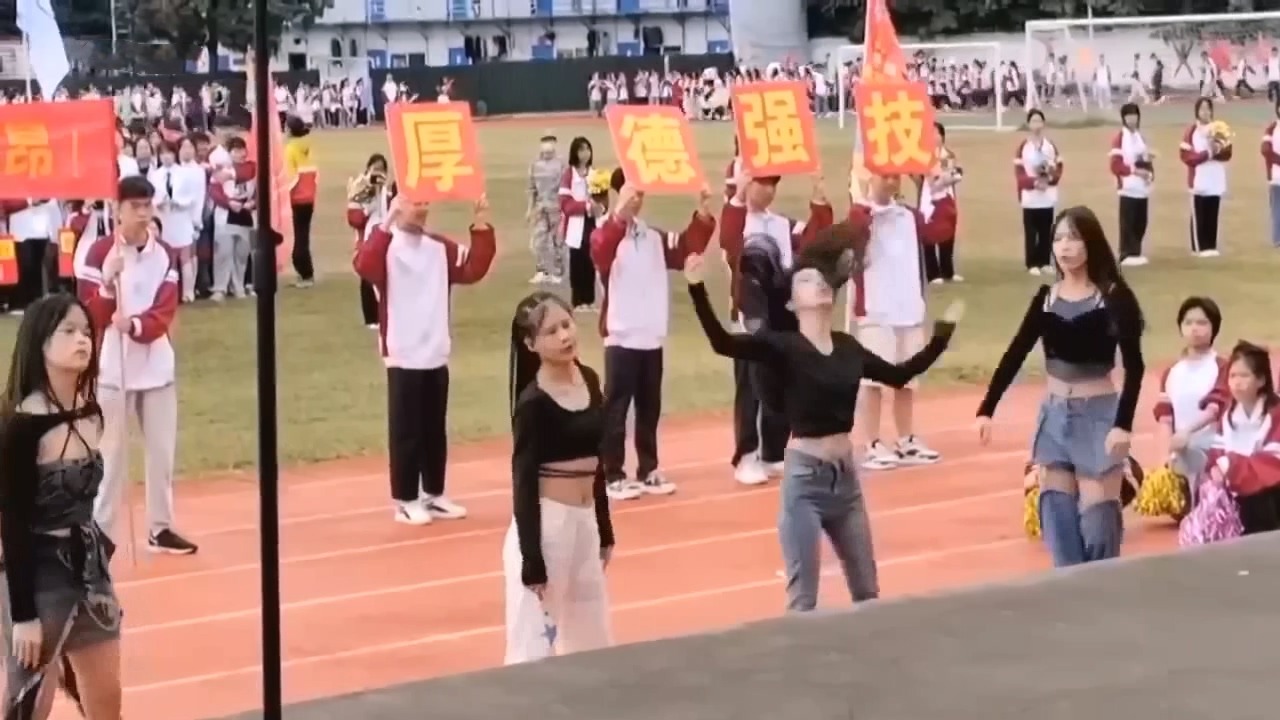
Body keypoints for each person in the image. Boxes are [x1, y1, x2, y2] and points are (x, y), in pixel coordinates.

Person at [682, 231, 961, 612]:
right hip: (805, 482)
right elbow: (722, 343)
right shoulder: (782, 347)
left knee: (868, 592)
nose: (819, 285)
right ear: (792, 303)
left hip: (847, 483)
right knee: (804, 600)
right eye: (807, 281)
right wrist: (696, 288)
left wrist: (941, 336)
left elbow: (898, 375)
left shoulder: (848, 347)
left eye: (821, 279)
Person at [976, 206, 1145, 568]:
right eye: (1058, 238)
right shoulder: (1046, 298)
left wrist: (1123, 424)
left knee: (1099, 522)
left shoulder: (1113, 297)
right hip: (1054, 417)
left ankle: (1101, 593)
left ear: (1091, 243)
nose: (1064, 246)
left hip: (1098, 417)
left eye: (1073, 237)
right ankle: (1069, 592)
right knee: (1057, 514)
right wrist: (987, 408)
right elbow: (1015, 352)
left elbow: (1135, 366)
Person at [0, 294, 123, 719]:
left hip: (90, 570)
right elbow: (11, 523)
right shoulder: (20, 426)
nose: (82, 340)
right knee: (28, 705)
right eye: (68, 332)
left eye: (86, 331)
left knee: (107, 699)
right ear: (40, 343)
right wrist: (23, 615)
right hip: (39, 574)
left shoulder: (92, 415)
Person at [353, 193, 496, 525]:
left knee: (434, 429)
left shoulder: (439, 248)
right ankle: (405, 499)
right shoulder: (386, 245)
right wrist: (386, 222)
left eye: (425, 202)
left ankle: (434, 493)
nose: (422, 208)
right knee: (407, 431)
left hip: (434, 349)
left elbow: (474, 267)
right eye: (414, 202)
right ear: (397, 204)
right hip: (403, 351)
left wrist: (480, 225)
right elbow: (365, 265)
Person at [78, 175, 197, 556]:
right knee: (111, 457)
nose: (143, 214)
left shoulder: (163, 254)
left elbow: (165, 309)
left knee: (162, 454)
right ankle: (102, 531)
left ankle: (160, 527)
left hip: (157, 369)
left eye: (148, 206)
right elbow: (90, 314)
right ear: (118, 210)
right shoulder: (98, 254)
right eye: (135, 207)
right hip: (114, 371)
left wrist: (135, 325)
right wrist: (108, 287)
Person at [503, 292, 614, 664]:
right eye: (551, 331)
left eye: (566, 324)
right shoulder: (533, 404)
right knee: (534, 642)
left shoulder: (590, 379)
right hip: (549, 526)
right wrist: (531, 557)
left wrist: (603, 526)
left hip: (584, 523)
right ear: (531, 344)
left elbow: (598, 460)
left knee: (591, 633)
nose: (565, 336)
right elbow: (523, 479)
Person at [590, 171, 716, 500]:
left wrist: (702, 214)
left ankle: (648, 469)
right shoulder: (604, 234)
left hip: (650, 335)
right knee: (616, 408)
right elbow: (601, 252)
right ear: (618, 193)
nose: (637, 199)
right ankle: (612, 474)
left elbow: (687, 246)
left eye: (640, 194)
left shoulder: (653, 237)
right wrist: (619, 216)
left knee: (649, 407)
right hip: (621, 336)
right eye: (631, 192)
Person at [719, 171, 832, 485]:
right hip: (749, 316)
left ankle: (772, 452)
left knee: (778, 386)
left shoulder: (781, 224)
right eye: (761, 183)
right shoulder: (738, 221)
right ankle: (746, 455)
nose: (768, 190)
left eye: (773, 184)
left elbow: (813, 242)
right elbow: (728, 242)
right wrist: (737, 200)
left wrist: (820, 207)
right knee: (750, 388)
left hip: (780, 315)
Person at [847, 171, 957, 471]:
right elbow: (853, 234)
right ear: (870, 178)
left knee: (907, 379)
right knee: (872, 381)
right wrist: (866, 207)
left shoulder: (909, 215)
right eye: (884, 177)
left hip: (908, 308)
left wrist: (938, 194)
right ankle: (871, 441)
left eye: (895, 177)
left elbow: (940, 232)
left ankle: (906, 438)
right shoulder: (860, 215)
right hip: (875, 310)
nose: (891, 182)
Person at [1153, 297, 1227, 500]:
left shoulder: (1222, 366)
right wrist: (1166, 454)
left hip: (1214, 450)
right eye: (1188, 322)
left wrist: (1186, 432)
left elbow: (1215, 409)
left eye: (1202, 323)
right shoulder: (1172, 372)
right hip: (1182, 450)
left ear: (1214, 328)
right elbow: (1165, 417)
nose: (1194, 328)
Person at [1204, 341, 1280, 534]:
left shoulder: (1275, 414)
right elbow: (1217, 452)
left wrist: (1231, 465)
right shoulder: (1228, 415)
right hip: (1236, 500)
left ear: (1261, 380)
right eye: (1232, 376)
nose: (1236, 382)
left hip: (1270, 500)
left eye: (1244, 375)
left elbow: (1272, 463)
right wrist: (1216, 469)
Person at [1179, 97, 1232, 257]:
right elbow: (1187, 156)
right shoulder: (1191, 132)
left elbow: (1227, 153)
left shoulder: (1219, 129)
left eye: (1208, 109)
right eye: (1202, 109)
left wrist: (1216, 150)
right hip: (1198, 181)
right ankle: (1199, 247)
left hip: (1214, 179)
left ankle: (1210, 246)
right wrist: (1206, 154)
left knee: (1212, 213)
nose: (1205, 112)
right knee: (1199, 213)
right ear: (1197, 111)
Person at [346, 153, 394, 328]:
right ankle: (371, 318)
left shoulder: (387, 194)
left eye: (382, 170)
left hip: (385, 241)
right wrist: (367, 210)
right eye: (375, 169)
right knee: (367, 277)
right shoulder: (359, 190)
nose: (378, 174)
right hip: (365, 241)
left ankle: (386, 314)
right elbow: (353, 219)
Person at [1014, 109, 1063, 276]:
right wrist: (1033, 182)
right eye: (1033, 121)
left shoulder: (1050, 146)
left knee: (1046, 229)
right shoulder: (1023, 147)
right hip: (1030, 196)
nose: (1036, 125)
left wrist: (1050, 179)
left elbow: (1059, 167)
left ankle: (1045, 261)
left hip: (1047, 195)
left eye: (1039, 121)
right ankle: (1032, 263)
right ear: (1029, 124)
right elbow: (1019, 172)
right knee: (1031, 230)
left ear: (1044, 124)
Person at [558, 137, 601, 312]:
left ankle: (590, 300)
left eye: (587, 149)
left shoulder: (595, 173)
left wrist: (601, 207)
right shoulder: (569, 175)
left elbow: (602, 198)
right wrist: (586, 206)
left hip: (592, 223)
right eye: (581, 150)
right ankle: (578, 301)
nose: (585, 153)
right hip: (576, 224)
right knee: (577, 262)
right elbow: (565, 204)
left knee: (590, 261)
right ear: (574, 153)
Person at [1109, 102, 1154, 266]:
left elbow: (1145, 159)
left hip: (1142, 187)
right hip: (1127, 188)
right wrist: (1134, 171)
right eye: (1128, 115)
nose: (1132, 119)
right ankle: (1126, 253)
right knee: (1128, 221)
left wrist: (1149, 173)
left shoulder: (1140, 137)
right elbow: (1115, 165)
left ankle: (1136, 251)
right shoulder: (1120, 138)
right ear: (1123, 118)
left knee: (1141, 221)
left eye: (1134, 115)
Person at [920, 121, 963, 284]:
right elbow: (931, 182)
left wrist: (952, 178)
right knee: (930, 235)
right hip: (931, 199)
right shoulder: (926, 157)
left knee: (948, 234)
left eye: (936, 133)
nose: (934, 137)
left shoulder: (948, 155)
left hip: (947, 198)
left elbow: (954, 173)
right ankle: (933, 273)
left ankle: (948, 271)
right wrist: (944, 180)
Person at [527, 132, 566, 285]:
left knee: (558, 241)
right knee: (539, 241)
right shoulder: (535, 165)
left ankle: (557, 272)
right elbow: (531, 188)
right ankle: (541, 270)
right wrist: (530, 208)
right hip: (540, 208)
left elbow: (564, 188)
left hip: (556, 208)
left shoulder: (561, 165)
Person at [285, 115, 319, 287]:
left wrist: (283, 195)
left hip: (297, 198)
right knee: (303, 235)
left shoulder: (291, 149)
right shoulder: (308, 146)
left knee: (300, 237)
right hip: (309, 197)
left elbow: (291, 177)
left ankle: (305, 272)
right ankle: (305, 271)